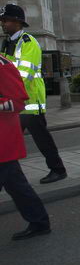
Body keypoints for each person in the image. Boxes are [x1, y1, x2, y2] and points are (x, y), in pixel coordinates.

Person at [0, 3, 68, 184]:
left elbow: (24, 74)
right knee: (6, 142)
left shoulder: (28, 42)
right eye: (2, 20)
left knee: (41, 139)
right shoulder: (6, 43)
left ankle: (58, 170)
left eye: (6, 20)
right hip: (14, 102)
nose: (3, 23)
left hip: (29, 101)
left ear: (17, 22)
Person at [0, 52, 51, 240]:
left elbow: (18, 101)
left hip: (2, 140)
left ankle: (40, 222)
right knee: (17, 186)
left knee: (16, 185)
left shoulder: (3, 65)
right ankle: (39, 221)